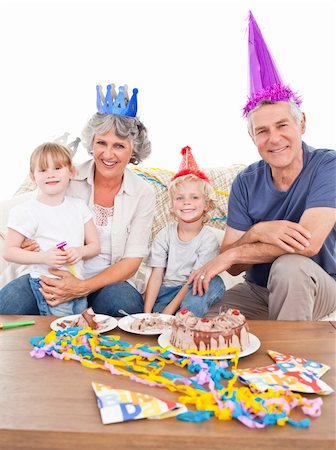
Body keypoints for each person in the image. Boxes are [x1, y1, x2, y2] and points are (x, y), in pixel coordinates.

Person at [190, 12, 336, 320]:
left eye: (282, 125)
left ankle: (289, 365)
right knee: (200, 320)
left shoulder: (328, 165)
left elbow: (306, 245)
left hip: (317, 285)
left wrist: (239, 250)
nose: (274, 138)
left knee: (289, 266)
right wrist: (259, 230)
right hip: (258, 290)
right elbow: (234, 264)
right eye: (262, 131)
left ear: (302, 124)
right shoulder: (246, 181)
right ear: (252, 137)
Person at [0, 83, 156, 316]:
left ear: (133, 151)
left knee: (123, 306)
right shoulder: (67, 176)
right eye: (101, 142)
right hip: (54, 272)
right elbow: (33, 211)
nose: (108, 154)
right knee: (9, 303)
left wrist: (81, 287)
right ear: (91, 143)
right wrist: (25, 242)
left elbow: (131, 261)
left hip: (107, 279)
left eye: (119, 146)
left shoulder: (143, 193)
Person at [3, 143, 100, 316]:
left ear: (71, 172)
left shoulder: (79, 207)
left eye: (57, 168)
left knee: (81, 327)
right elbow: (9, 252)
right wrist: (44, 257)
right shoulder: (26, 211)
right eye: (42, 170)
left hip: (77, 281)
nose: (51, 174)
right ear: (32, 177)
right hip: (48, 284)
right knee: (62, 329)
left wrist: (80, 251)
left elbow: (95, 246)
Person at [144, 146, 225, 317]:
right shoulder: (165, 234)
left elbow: (193, 280)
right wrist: (146, 312)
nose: (186, 203)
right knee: (157, 312)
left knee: (213, 283)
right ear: (172, 205)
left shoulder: (208, 239)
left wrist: (169, 311)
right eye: (180, 198)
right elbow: (156, 274)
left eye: (194, 197)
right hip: (167, 292)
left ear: (207, 204)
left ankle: (185, 318)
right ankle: (175, 318)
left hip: (193, 288)